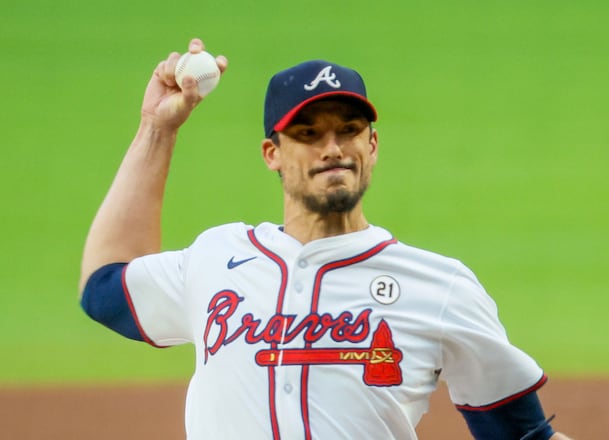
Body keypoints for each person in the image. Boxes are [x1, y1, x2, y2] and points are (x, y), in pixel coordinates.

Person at [79, 38, 573, 440]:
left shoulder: (440, 287)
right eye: (309, 134)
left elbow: (523, 437)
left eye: (349, 129)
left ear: (372, 145)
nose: (332, 148)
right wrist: (157, 129)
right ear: (272, 153)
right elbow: (104, 288)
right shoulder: (216, 258)